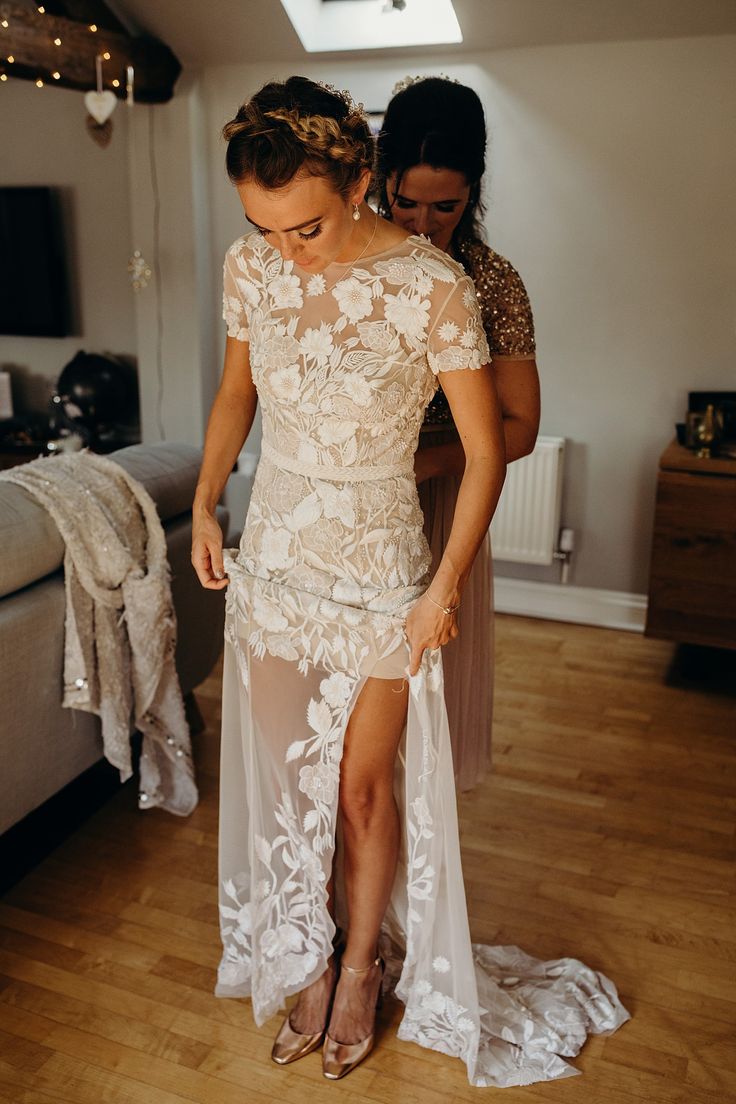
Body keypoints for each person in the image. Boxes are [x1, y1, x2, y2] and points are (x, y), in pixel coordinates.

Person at [192, 76, 628, 1088]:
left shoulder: (436, 284)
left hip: (381, 567)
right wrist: (210, 498)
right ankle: (301, 956)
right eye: (265, 227)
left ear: (355, 181)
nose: (285, 248)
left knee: (357, 790)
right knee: (287, 794)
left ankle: (357, 970)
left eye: (302, 225)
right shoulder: (251, 269)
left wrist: (439, 592)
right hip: (278, 560)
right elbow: (231, 394)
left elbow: (486, 451)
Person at [376, 76, 541, 791]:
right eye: (403, 203)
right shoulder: (350, 267)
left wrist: (422, 463)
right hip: (355, 504)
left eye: (444, 206)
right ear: (379, 180)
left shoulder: (492, 282)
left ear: (473, 192)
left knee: (419, 693)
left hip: (444, 501)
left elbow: (523, 428)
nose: (421, 225)